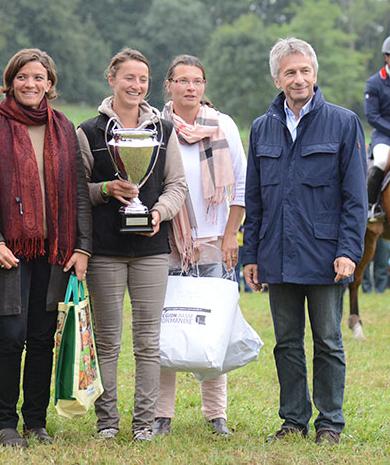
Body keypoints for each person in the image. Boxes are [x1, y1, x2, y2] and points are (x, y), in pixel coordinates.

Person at [243, 37, 366, 446]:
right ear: (277, 79)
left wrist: (349, 250)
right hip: (276, 253)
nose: (299, 79)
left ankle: (329, 422)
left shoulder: (344, 123)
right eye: (290, 72)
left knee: (328, 342)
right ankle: (293, 419)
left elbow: (355, 198)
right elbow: (255, 199)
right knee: (287, 343)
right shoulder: (262, 129)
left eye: (305, 71)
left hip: (327, 254)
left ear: (316, 74)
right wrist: (251, 255)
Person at [0, 48, 92, 449]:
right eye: (23, 77)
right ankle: (5, 423)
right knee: (11, 335)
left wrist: (82, 249)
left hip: (54, 251)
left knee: (41, 337)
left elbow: (77, 194)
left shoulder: (64, 128)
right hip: (8, 249)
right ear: (10, 81)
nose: (30, 84)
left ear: (50, 85)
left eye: (39, 77)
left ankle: (35, 421)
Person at [77, 48, 187, 442]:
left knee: (147, 341)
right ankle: (107, 422)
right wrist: (106, 189)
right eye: (128, 78)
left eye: (142, 80)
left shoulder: (165, 131)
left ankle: (144, 424)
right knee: (107, 341)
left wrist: (158, 213)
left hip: (152, 250)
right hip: (105, 251)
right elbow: (77, 190)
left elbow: (177, 185)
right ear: (112, 79)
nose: (136, 86)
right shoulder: (89, 131)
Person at [153, 55, 246, 438]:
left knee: (214, 328)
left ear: (204, 86)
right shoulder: (156, 125)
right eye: (183, 80)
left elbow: (241, 183)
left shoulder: (222, 125)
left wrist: (230, 235)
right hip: (169, 242)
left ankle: (216, 414)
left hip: (214, 240)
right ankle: (161, 414)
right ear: (169, 85)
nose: (191, 87)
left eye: (198, 80)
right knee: (165, 328)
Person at [364, 36, 390, 219]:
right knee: (381, 162)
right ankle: (371, 207)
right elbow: (372, 116)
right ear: (386, 57)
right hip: (383, 136)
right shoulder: (374, 83)